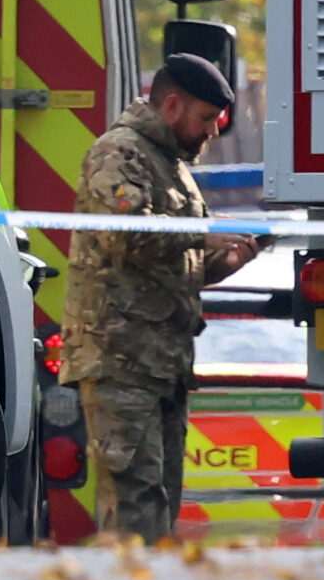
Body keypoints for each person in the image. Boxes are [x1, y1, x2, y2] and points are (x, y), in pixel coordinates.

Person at [62, 52, 261, 541]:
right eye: (206, 118)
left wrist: (231, 257)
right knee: (134, 504)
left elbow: (171, 264)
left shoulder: (172, 165)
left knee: (162, 500)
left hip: (162, 364)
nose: (213, 131)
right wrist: (203, 234)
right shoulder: (120, 153)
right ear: (172, 106)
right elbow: (124, 235)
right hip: (120, 360)